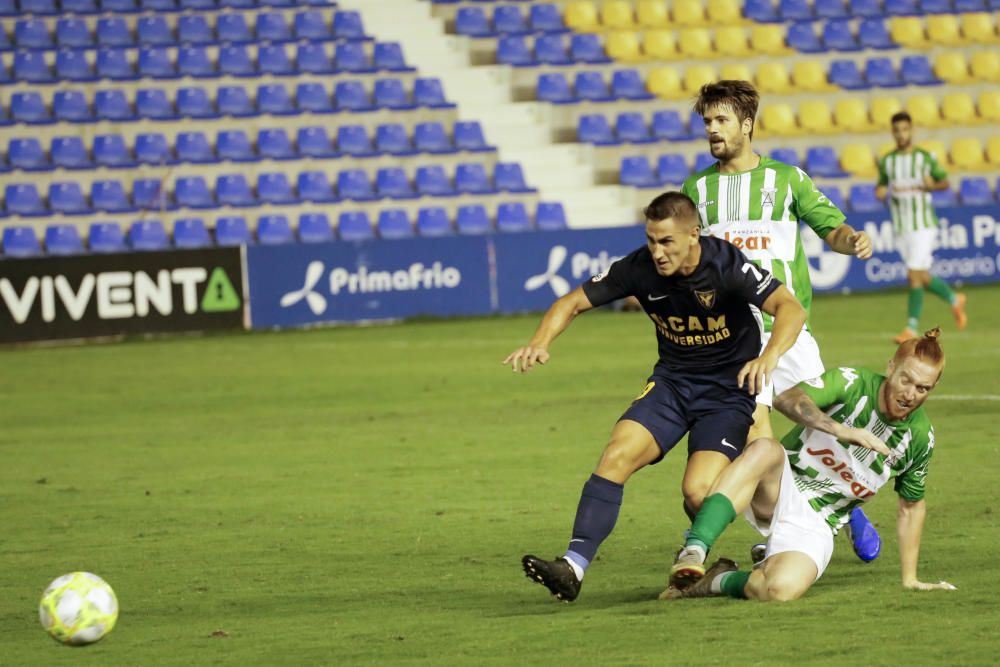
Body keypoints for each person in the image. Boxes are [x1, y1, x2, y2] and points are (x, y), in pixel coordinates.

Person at [504, 191, 807, 602]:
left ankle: (753, 546)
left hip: (726, 392)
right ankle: (572, 566)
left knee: (698, 492)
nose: (657, 252)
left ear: (693, 235)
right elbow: (573, 301)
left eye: (666, 242)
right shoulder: (639, 268)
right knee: (617, 454)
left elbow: (790, 307)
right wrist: (539, 341)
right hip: (672, 383)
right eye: (651, 240)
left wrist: (769, 356)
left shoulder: (726, 264)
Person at [681, 79, 881, 561]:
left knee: (823, 425)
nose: (712, 129)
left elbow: (830, 227)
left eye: (721, 120)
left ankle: (837, 506)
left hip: (790, 334)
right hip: (736, 341)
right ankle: (786, 535)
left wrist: (850, 239)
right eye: (707, 121)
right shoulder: (696, 190)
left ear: (747, 124)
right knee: (758, 441)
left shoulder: (786, 180)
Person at [664, 328, 956, 601]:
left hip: (820, 521)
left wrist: (910, 578)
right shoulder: (853, 383)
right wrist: (842, 430)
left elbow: (911, 506)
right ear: (891, 366)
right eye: (906, 380)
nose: (909, 394)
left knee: (779, 590)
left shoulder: (919, 438)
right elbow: (787, 399)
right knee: (765, 449)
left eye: (922, 388)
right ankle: (694, 550)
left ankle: (716, 579)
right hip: (781, 486)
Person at [875, 111, 968, 345]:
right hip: (901, 226)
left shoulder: (925, 158)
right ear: (893, 132)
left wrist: (933, 185)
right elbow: (881, 186)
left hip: (923, 225)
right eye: (897, 130)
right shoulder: (888, 161)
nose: (901, 134)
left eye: (905, 129)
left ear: (911, 130)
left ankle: (910, 327)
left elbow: (945, 182)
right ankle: (954, 299)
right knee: (922, 276)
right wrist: (879, 192)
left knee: (913, 276)